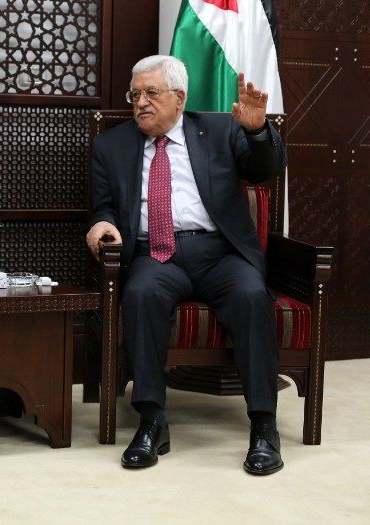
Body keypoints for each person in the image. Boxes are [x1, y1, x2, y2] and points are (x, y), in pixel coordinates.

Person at [86, 55, 286, 475]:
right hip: (154, 255)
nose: (140, 102)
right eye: (135, 94)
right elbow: (103, 205)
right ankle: (152, 420)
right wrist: (101, 222)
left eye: (151, 93)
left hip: (220, 254)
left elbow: (265, 172)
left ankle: (264, 426)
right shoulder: (112, 144)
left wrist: (256, 130)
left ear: (179, 97)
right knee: (139, 295)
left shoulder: (219, 129)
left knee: (252, 296)